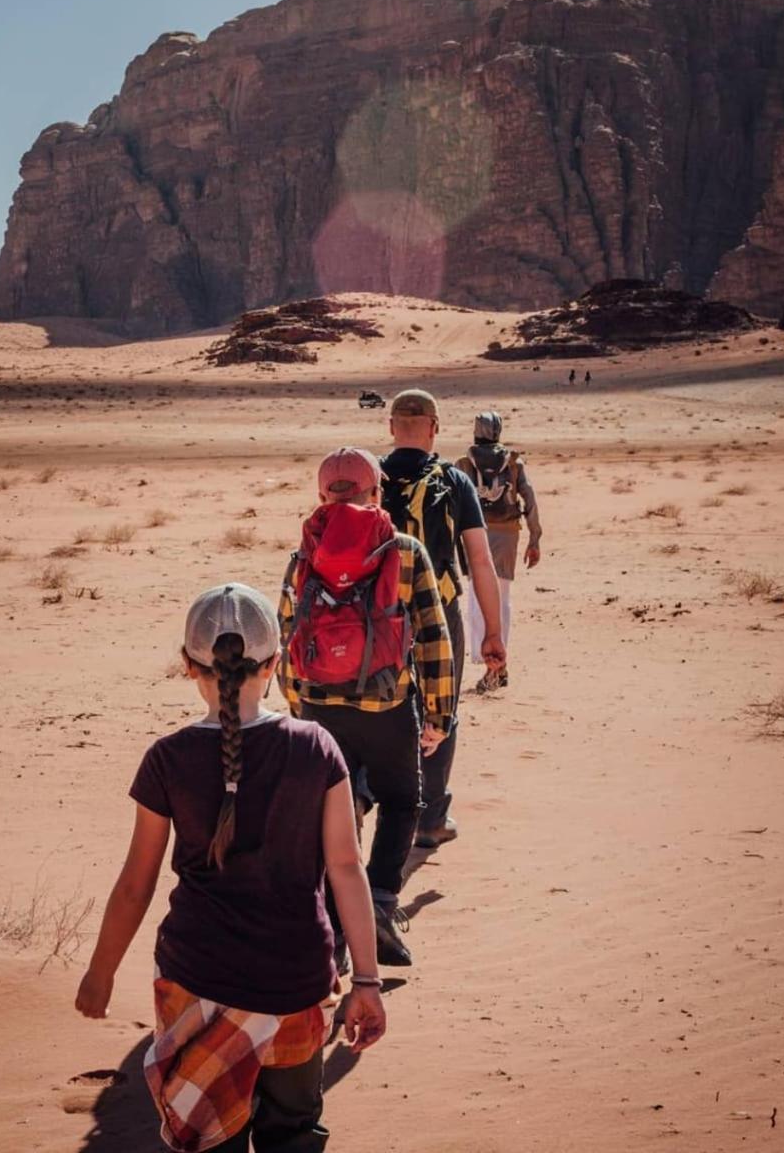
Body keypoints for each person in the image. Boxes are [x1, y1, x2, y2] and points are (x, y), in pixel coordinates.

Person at [76, 583, 386, 1153]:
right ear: (276, 661)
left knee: (207, 1137)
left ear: (187, 665)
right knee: (292, 1132)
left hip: (196, 981)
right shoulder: (315, 747)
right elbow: (346, 868)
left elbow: (134, 885)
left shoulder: (166, 758)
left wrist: (101, 973)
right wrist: (366, 979)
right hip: (295, 982)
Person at [278, 447, 454, 968]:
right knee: (403, 799)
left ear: (321, 496)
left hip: (319, 706)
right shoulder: (404, 549)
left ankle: (336, 918)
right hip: (388, 705)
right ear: (376, 492)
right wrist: (440, 714)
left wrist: (298, 712)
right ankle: (378, 901)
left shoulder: (304, 553)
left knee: (333, 811)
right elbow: (432, 636)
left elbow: (288, 631)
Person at [378, 389, 506, 851]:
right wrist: (491, 632)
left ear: (392, 427)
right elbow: (480, 561)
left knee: (382, 702)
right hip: (440, 611)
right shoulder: (455, 481)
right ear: (434, 427)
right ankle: (430, 818)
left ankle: (371, 796)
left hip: (377, 614)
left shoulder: (368, 476)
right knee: (441, 706)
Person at [455, 412, 542, 689]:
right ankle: (498, 664)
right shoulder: (514, 463)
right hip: (507, 535)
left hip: (474, 535)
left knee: (477, 599)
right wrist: (535, 537)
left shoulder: (464, 464)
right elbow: (528, 497)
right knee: (501, 598)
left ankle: (492, 666)